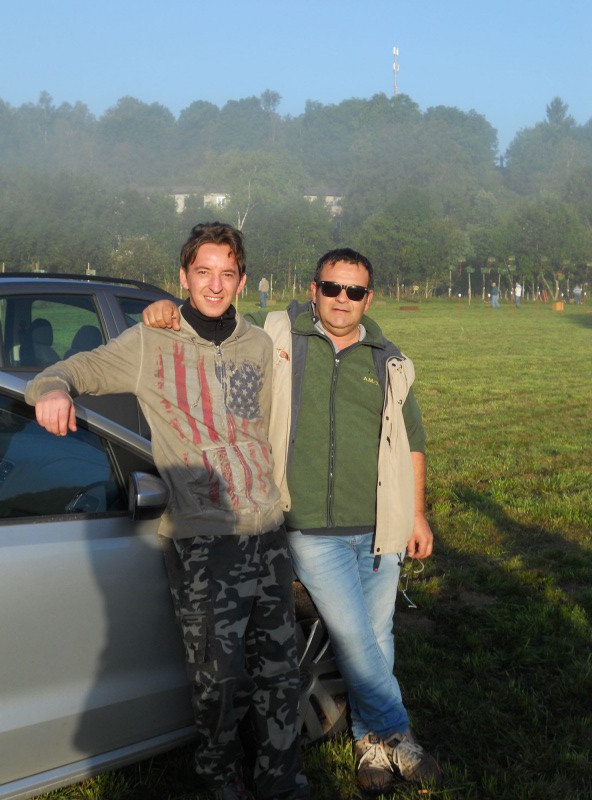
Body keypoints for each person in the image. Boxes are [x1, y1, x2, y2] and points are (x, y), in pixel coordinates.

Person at [25, 222, 309, 800]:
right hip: (205, 540)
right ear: (183, 276)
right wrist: (50, 390)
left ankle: (282, 781)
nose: (215, 285)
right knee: (218, 681)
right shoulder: (149, 343)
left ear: (242, 281)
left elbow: (265, 425)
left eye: (227, 274)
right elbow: (71, 370)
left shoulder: (258, 344)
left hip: (267, 532)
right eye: (203, 272)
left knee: (280, 672)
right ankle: (221, 781)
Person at [143, 248, 441, 794]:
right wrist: (168, 311)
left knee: (377, 634)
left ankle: (370, 745)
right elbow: (217, 324)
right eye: (332, 288)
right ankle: (399, 732)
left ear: (369, 298)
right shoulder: (277, 336)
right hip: (308, 527)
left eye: (354, 291)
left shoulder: (389, 360)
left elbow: (413, 441)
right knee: (353, 637)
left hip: (381, 527)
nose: (342, 300)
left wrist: (416, 514)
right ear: (313, 289)